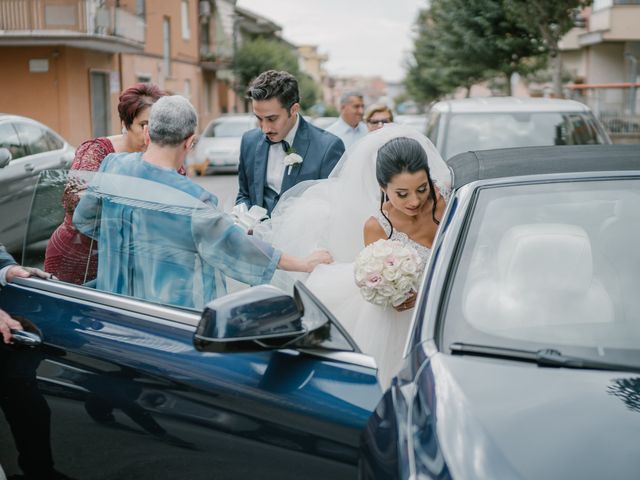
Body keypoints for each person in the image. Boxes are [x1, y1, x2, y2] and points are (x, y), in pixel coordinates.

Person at [73, 95, 332, 310]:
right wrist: (303, 263)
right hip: (169, 313)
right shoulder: (194, 200)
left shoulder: (113, 166)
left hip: (113, 304)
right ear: (190, 142)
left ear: (148, 132)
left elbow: (84, 219)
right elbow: (239, 248)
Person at [263, 125, 451, 388]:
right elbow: (380, 282)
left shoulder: (446, 201)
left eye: (421, 189)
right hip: (404, 323)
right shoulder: (377, 226)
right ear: (383, 187)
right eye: (402, 194)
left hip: (449, 306)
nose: (414, 202)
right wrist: (397, 295)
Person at [45, 82, 167, 285]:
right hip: (80, 256)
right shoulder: (96, 151)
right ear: (126, 123)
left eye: (156, 126)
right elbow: (73, 201)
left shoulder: (165, 154)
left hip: (136, 261)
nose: (150, 133)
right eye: (143, 125)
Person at [236, 70, 344, 216]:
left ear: (294, 109)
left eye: (272, 119)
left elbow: (333, 208)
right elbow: (244, 195)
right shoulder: (249, 141)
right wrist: (242, 219)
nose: (264, 128)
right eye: (259, 118)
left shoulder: (328, 148)